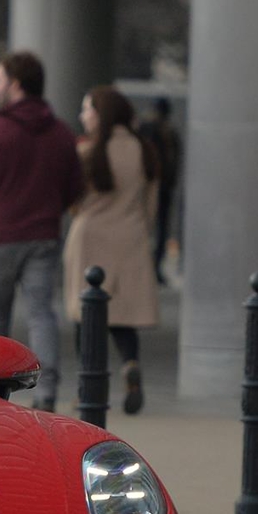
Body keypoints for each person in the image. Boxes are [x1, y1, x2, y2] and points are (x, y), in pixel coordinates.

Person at [0, 49, 81, 412]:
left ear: (15, 84)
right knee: (42, 313)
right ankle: (46, 394)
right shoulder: (61, 133)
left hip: (0, 235)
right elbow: (74, 187)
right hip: (43, 236)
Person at [63, 85, 160, 416]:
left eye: (87, 109)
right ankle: (130, 365)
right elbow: (151, 207)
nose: (83, 116)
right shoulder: (144, 150)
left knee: (85, 315)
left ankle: (88, 387)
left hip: (89, 236)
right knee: (123, 317)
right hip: (130, 236)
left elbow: (72, 201)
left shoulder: (87, 152)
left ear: (101, 114)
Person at [141, 95, 183, 285]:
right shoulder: (152, 130)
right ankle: (150, 268)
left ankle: (154, 268)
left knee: (159, 230)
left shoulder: (166, 132)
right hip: (154, 186)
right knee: (151, 228)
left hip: (162, 187)